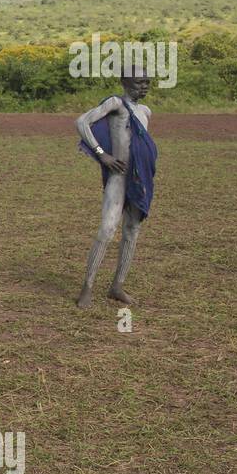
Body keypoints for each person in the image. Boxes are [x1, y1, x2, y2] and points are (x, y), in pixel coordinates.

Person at [75, 67, 157, 308]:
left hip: (139, 180)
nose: (143, 86)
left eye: (147, 82)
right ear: (124, 82)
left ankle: (117, 285)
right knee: (107, 230)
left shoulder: (145, 112)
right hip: (118, 178)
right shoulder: (116, 104)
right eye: (139, 82)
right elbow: (81, 122)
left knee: (132, 230)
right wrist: (103, 155)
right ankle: (87, 287)